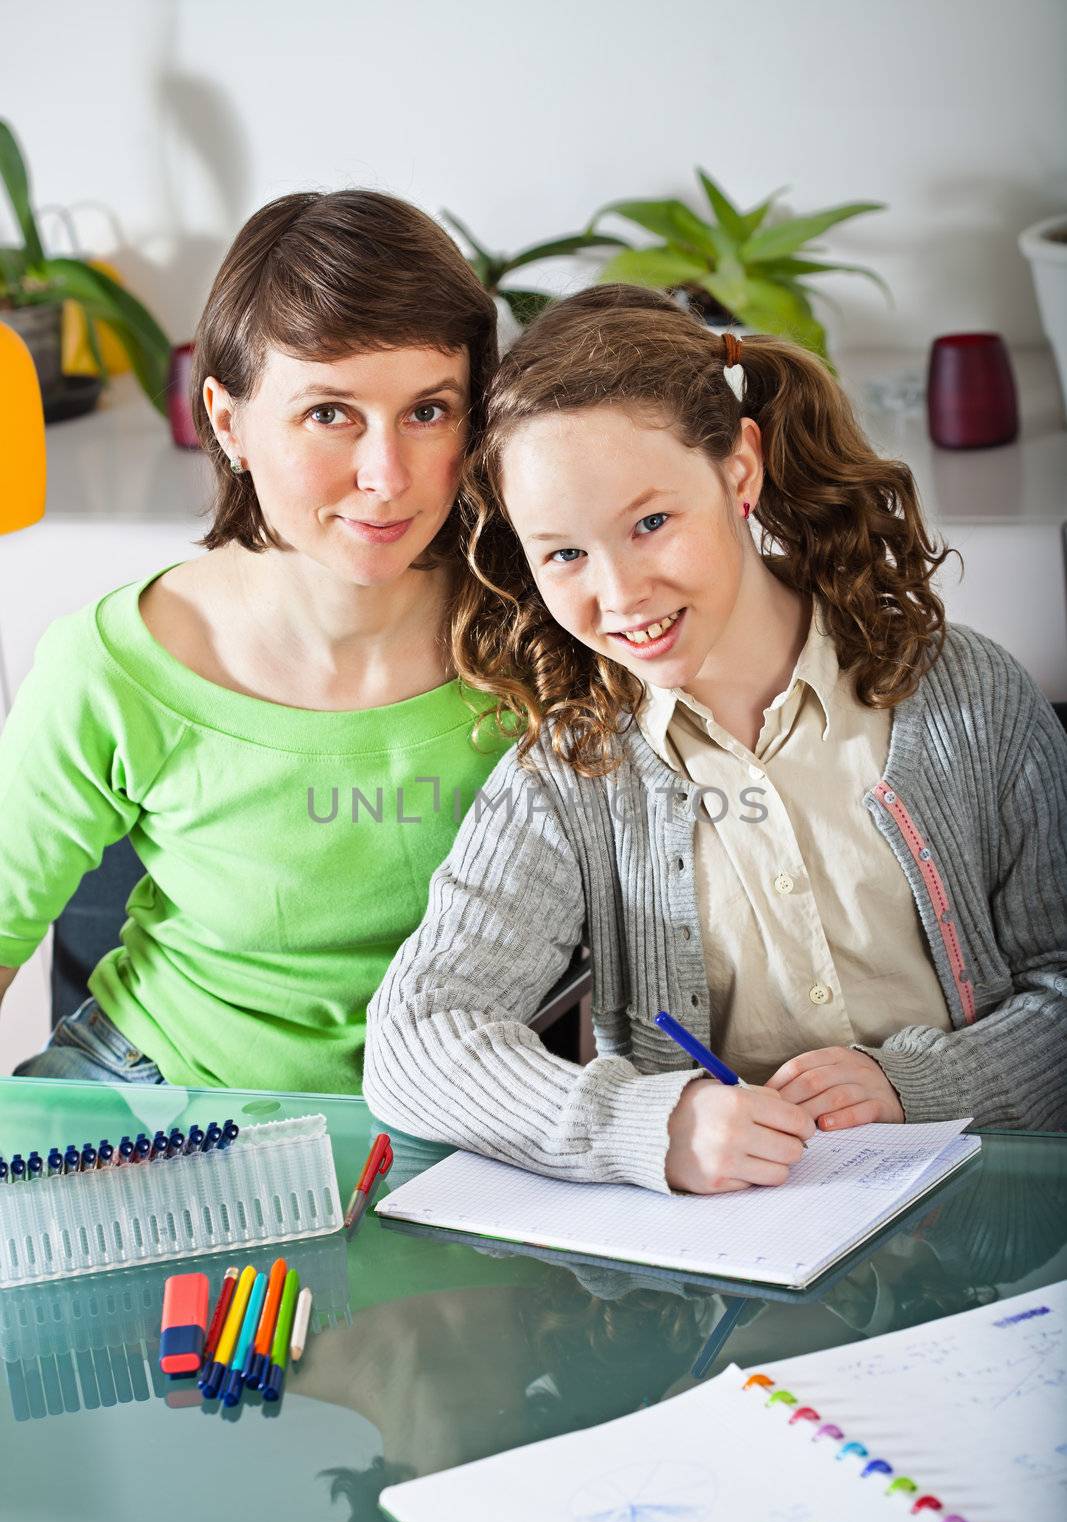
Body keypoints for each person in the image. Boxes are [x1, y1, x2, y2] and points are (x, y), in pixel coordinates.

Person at [364, 283, 1067, 1193]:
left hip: (986, 1222)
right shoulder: (570, 771)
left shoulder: (964, 696)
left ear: (740, 471)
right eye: (564, 554)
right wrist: (649, 1124)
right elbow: (414, 1039)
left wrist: (917, 1084)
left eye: (650, 523)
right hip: (732, 1263)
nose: (619, 597)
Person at [0, 189, 506, 1092]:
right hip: (154, 1096)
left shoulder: (539, 637)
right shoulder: (112, 668)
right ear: (226, 422)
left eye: (428, 411)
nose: (385, 476)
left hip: (470, 1120)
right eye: (327, 413)